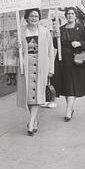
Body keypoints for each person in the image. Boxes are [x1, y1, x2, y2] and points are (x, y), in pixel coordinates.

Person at [16, 8, 54, 136]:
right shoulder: (21, 31)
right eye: (31, 16)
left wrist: (51, 69)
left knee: (38, 96)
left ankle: (31, 123)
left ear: (39, 18)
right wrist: (18, 48)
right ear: (27, 17)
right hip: (25, 67)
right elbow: (15, 52)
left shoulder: (44, 32)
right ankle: (35, 120)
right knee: (28, 97)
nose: (34, 18)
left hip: (41, 67)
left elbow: (50, 51)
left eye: (36, 16)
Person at [51, 7, 85, 122]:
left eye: (72, 14)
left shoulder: (81, 29)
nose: (70, 16)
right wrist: (56, 36)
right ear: (65, 16)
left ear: (75, 16)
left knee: (73, 84)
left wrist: (79, 43)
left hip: (76, 60)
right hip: (62, 59)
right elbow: (55, 45)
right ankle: (70, 108)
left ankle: (68, 110)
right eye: (68, 14)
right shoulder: (61, 29)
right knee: (66, 84)